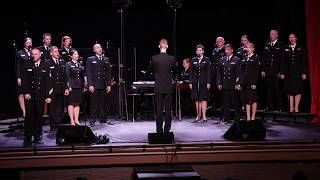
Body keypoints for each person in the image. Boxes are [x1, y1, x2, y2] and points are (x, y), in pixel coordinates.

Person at [147, 39, 176, 133]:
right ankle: (167, 130)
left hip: (159, 87)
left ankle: (159, 130)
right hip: (168, 87)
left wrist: (154, 72)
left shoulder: (154, 58)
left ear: (159, 46)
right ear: (167, 46)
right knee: (168, 110)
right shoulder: (172, 58)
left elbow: (148, 71)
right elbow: (176, 71)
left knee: (159, 109)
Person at [22, 47, 50, 145]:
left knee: (39, 115)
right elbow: (24, 80)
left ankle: (38, 134)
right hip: (30, 95)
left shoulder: (45, 65)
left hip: (41, 95)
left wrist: (48, 96)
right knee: (29, 115)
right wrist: (26, 92)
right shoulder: (27, 64)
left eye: (36, 54)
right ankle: (28, 135)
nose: (33, 56)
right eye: (32, 54)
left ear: (40, 54)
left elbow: (48, 82)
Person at [86, 43, 112, 126]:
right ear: (94, 50)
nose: (100, 49)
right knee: (94, 103)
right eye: (97, 48)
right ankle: (92, 119)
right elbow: (88, 73)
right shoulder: (90, 59)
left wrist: (109, 84)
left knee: (103, 102)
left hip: (103, 84)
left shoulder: (106, 59)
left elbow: (108, 73)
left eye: (100, 47)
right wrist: (90, 84)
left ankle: (103, 118)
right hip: (94, 84)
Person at [261, 29, 286, 111]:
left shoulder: (281, 44)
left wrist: (281, 71)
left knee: (277, 89)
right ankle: (269, 106)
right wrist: (263, 70)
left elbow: (282, 59)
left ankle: (281, 106)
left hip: (276, 71)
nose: (271, 35)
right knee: (268, 89)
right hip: (268, 71)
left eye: (273, 34)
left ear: (277, 35)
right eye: (270, 34)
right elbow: (264, 58)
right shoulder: (267, 44)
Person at [283, 33, 307, 113]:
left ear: (296, 38)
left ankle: (296, 107)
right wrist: (283, 72)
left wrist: (304, 72)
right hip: (288, 72)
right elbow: (283, 61)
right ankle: (291, 107)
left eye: (293, 37)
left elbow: (304, 61)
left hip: (298, 72)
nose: (291, 39)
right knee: (289, 90)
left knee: (298, 89)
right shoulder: (286, 48)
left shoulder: (301, 47)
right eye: (290, 37)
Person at [217, 44, 241, 122]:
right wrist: (219, 83)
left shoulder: (236, 59)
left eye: (228, 50)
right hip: (224, 83)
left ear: (232, 50)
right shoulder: (222, 59)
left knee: (235, 101)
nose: (226, 51)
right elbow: (219, 73)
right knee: (225, 102)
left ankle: (237, 117)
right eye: (225, 50)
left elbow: (238, 73)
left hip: (233, 84)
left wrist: (237, 83)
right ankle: (226, 117)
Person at [189, 44, 211, 122]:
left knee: (203, 98)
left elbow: (208, 72)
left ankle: (204, 116)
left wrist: (208, 82)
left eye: (200, 50)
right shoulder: (193, 59)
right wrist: (190, 82)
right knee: (197, 99)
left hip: (204, 81)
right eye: (198, 50)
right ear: (196, 51)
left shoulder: (207, 59)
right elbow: (191, 72)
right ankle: (198, 115)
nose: (199, 51)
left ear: (203, 51)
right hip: (195, 82)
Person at [45, 46, 66, 129]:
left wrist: (65, 88)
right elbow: (46, 79)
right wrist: (48, 94)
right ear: (51, 53)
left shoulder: (61, 62)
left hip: (60, 88)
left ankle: (59, 123)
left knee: (60, 107)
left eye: (58, 51)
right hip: (52, 89)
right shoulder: (47, 62)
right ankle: (53, 125)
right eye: (55, 51)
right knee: (53, 108)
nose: (57, 53)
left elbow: (64, 77)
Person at [65, 49, 85, 125]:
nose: (77, 55)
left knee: (77, 103)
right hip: (72, 86)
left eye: (77, 54)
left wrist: (83, 86)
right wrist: (68, 85)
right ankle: (72, 120)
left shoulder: (80, 64)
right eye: (75, 54)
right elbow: (67, 76)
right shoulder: (68, 64)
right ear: (71, 56)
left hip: (79, 86)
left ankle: (76, 120)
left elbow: (82, 76)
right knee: (71, 103)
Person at [240, 43, 260, 121]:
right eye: (246, 47)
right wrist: (240, 82)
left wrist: (254, 83)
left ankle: (253, 116)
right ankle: (248, 117)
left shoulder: (256, 58)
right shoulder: (244, 58)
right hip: (245, 82)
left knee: (253, 99)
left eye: (249, 47)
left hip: (252, 82)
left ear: (253, 49)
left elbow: (256, 72)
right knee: (246, 100)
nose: (247, 49)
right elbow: (241, 71)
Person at [16, 37, 32, 118]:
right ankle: (24, 111)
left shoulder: (33, 52)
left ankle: (31, 110)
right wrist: (18, 77)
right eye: (28, 42)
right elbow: (18, 66)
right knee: (21, 93)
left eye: (30, 42)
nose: (29, 43)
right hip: (23, 76)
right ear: (24, 43)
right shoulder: (20, 53)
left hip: (31, 76)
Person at [210, 37, 225, 112]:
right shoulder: (214, 50)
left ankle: (222, 105)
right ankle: (214, 105)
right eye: (217, 41)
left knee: (221, 89)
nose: (218, 42)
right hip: (214, 72)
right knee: (213, 89)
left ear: (223, 42)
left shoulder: (225, 49)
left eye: (219, 41)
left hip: (221, 72)